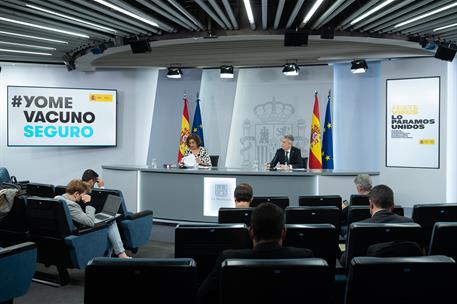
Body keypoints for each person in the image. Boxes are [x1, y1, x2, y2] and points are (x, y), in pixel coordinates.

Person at [197, 203, 313, 303]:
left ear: (251, 232)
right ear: (283, 233)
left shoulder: (228, 260)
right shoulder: (305, 258)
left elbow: (202, 297)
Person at [340, 184, 413, 267]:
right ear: (393, 205)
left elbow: (345, 261)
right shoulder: (409, 223)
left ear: (370, 205)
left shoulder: (358, 227)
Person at [55, 179, 130, 259]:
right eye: (83, 195)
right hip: (80, 234)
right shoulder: (71, 205)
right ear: (76, 193)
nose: (83, 197)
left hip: (66, 233)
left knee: (109, 220)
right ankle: (120, 253)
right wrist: (88, 203)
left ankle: (113, 256)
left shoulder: (58, 199)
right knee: (111, 221)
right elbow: (90, 222)